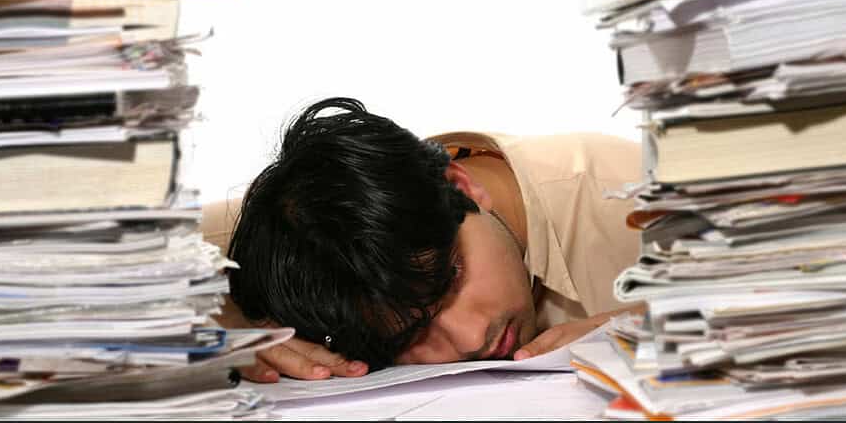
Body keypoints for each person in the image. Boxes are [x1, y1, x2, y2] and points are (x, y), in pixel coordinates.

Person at [202, 97, 642, 382]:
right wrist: (213, 319)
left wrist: (668, 321)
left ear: (462, 187)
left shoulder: (637, 199)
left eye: (451, 279)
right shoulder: (291, 230)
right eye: (407, 337)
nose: (470, 339)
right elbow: (161, 254)